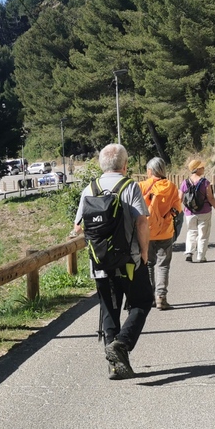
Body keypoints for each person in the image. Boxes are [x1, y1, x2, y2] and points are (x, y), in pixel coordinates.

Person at [73, 143, 152, 379]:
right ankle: (122, 344)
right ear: (125, 165)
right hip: (130, 261)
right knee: (142, 301)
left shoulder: (89, 188)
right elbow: (142, 223)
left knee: (109, 309)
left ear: (101, 165)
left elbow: (78, 227)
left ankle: (115, 366)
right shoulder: (130, 187)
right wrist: (145, 253)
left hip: (99, 263)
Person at [138, 157, 182, 310]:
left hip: (146, 232)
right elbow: (178, 209)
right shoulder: (171, 187)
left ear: (150, 171)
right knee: (163, 265)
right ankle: (161, 298)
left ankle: (149, 297)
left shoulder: (142, 186)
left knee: (149, 264)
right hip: (165, 232)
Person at [181, 159, 215, 262]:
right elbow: (210, 198)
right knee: (203, 234)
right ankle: (201, 257)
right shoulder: (205, 182)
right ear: (197, 169)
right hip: (204, 212)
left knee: (191, 232)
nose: (204, 169)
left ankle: (189, 252)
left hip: (189, 212)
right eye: (202, 167)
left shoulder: (185, 182)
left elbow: (180, 198)